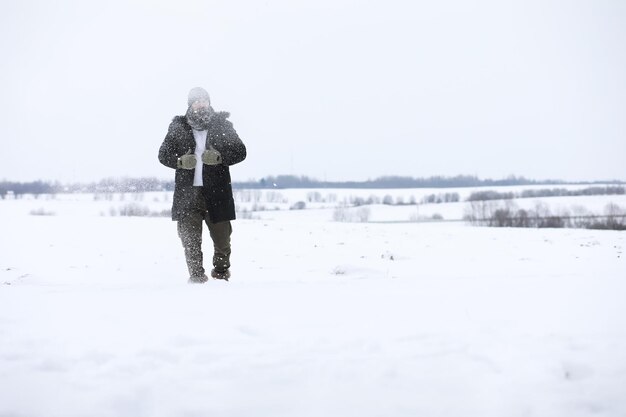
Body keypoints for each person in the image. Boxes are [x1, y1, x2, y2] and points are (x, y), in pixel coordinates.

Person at [159, 87, 246, 283]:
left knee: (222, 241)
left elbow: (240, 151)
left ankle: (221, 272)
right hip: (187, 194)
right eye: (196, 100)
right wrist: (180, 161)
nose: (200, 103)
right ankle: (196, 277)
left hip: (217, 193)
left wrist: (220, 157)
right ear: (190, 104)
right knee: (190, 241)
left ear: (209, 102)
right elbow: (163, 155)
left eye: (203, 100)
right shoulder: (178, 128)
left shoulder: (223, 126)